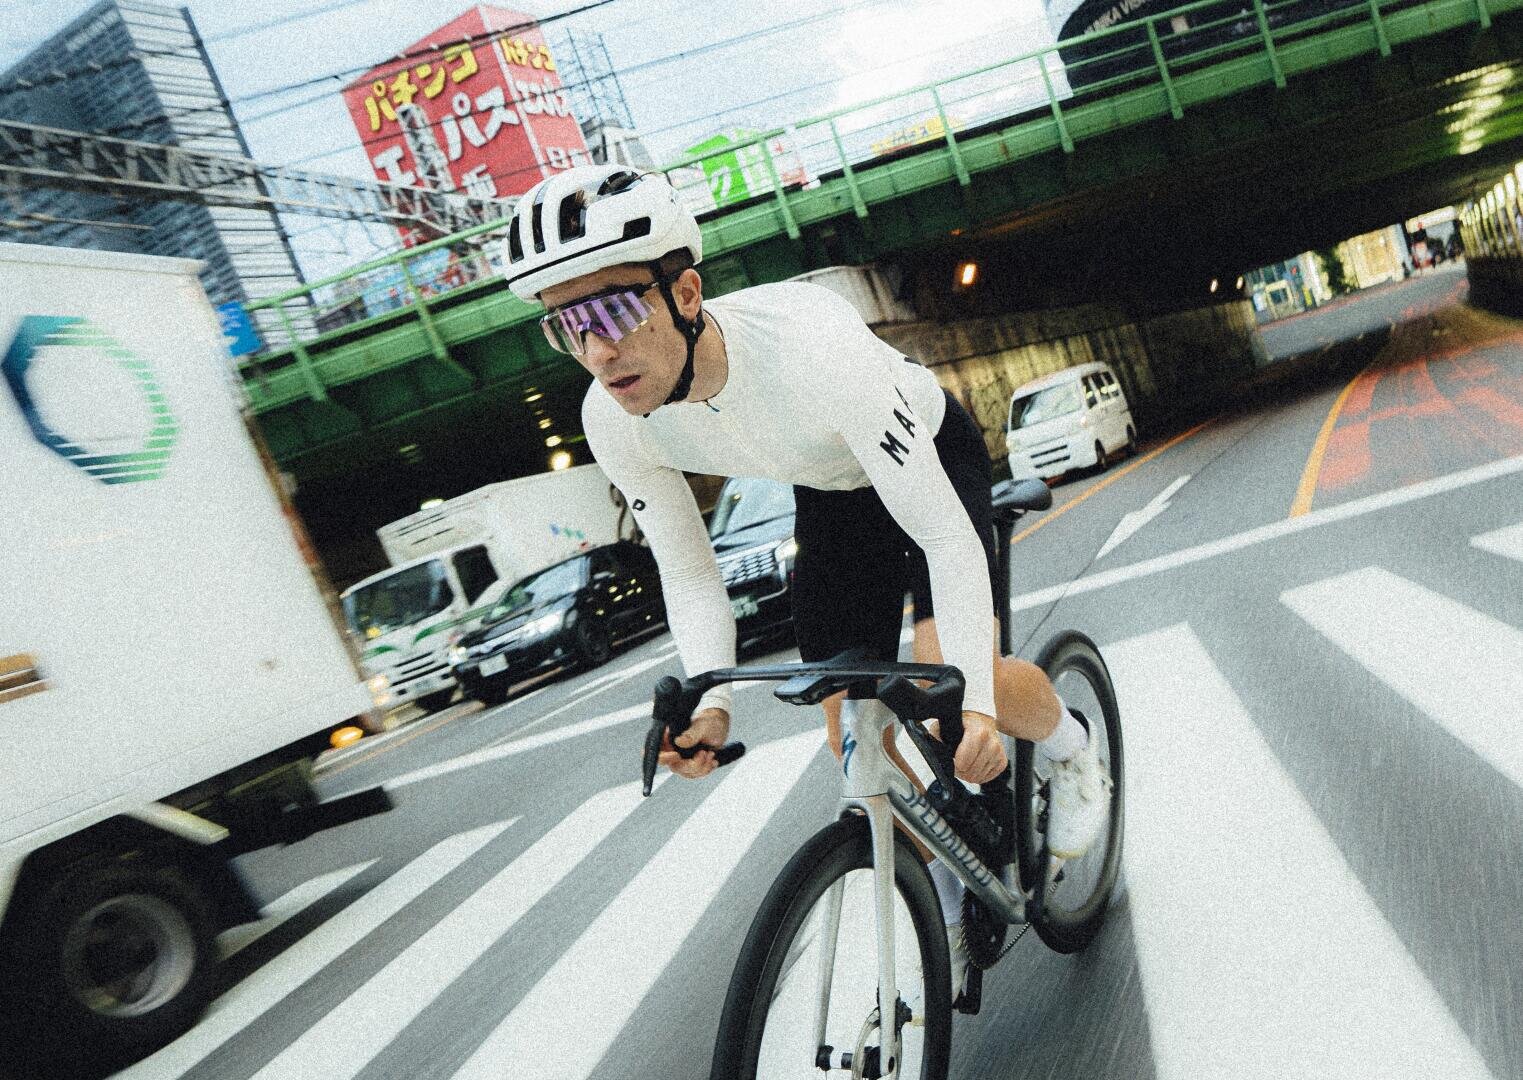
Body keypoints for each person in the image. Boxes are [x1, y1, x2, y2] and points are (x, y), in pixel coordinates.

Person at [503, 164, 1112, 994]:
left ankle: (1073, 751)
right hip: (830, 491)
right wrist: (709, 707)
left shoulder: (816, 351)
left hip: (927, 456)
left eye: (612, 310)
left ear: (685, 292)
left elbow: (941, 535)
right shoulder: (610, 418)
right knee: (850, 721)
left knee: (956, 683)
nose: (596, 349)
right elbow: (687, 567)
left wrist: (969, 706)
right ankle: (939, 886)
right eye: (565, 327)